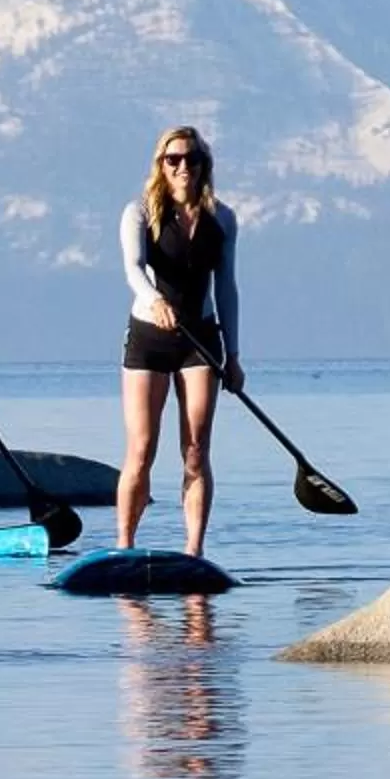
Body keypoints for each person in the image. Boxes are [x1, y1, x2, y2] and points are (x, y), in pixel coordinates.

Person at [116, 125, 243, 557]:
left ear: (204, 165)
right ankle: (125, 545)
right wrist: (155, 300)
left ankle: (194, 551)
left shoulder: (222, 218)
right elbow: (133, 268)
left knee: (195, 449)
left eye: (191, 159)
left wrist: (235, 354)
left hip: (200, 340)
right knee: (142, 447)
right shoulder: (140, 212)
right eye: (173, 159)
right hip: (149, 339)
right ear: (161, 165)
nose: (183, 166)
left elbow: (226, 287)